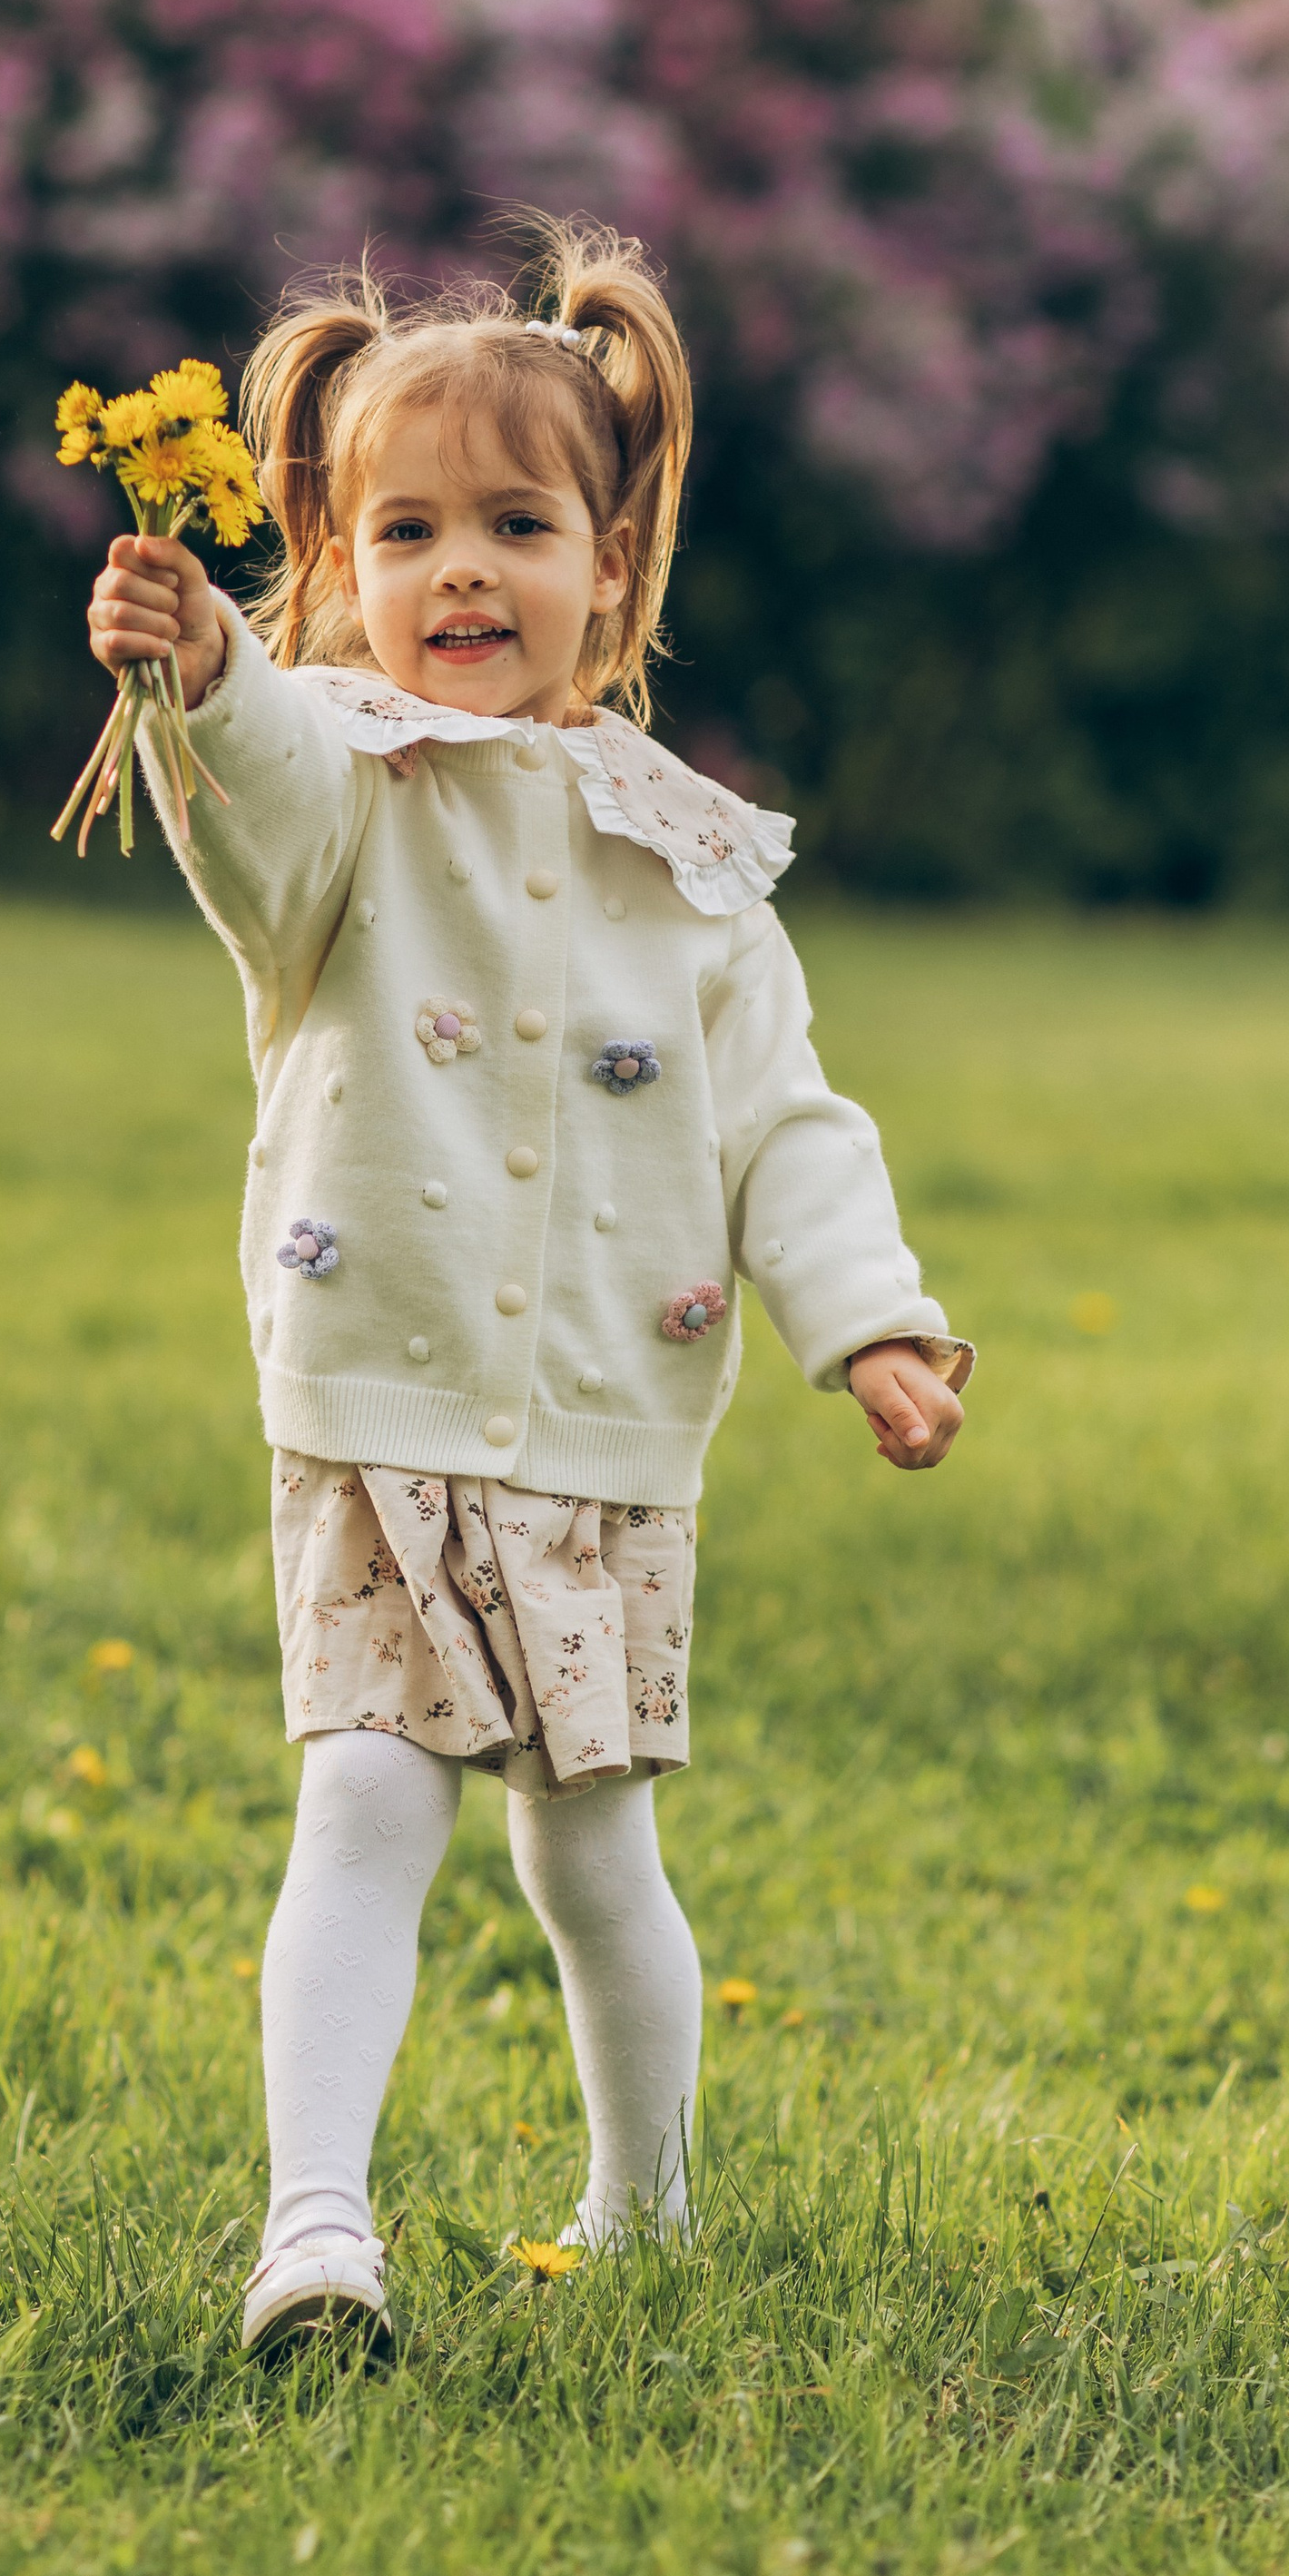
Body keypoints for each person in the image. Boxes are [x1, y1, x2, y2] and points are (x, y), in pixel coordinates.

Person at [86, 221, 972, 2356]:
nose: (458, 571)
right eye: (402, 530)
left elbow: (782, 1122)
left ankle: (641, 2207)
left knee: (589, 1864)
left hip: (603, 1426)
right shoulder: (331, 797)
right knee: (365, 1800)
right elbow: (251, 807)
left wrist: (866, 1317)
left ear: (609, 560)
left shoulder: (690, 865)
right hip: (373, 1401)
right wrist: (201, 666)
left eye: (513, 524)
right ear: (331, 552)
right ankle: (315, 2229)